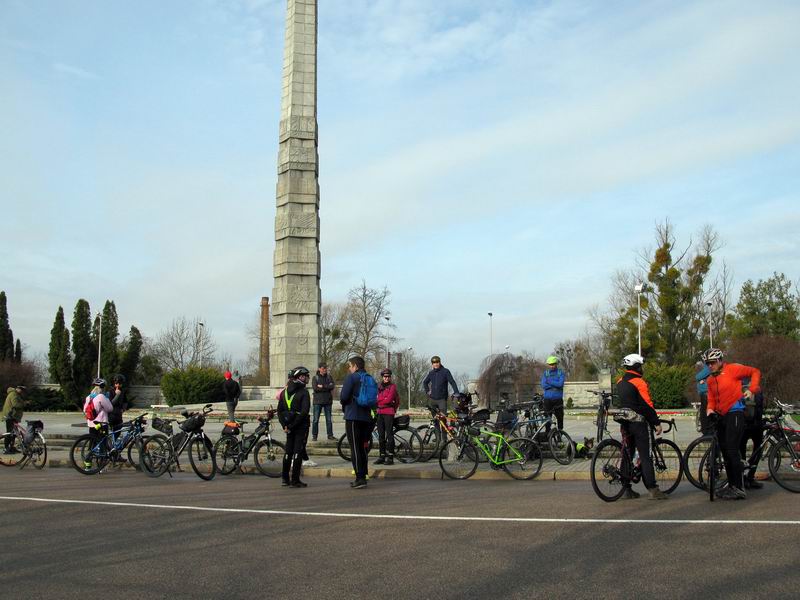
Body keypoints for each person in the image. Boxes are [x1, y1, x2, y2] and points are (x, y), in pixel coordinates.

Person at [704, 347, 761, 500]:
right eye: (707, 363)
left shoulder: (732, 369)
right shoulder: (710, 380)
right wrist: (709, 409)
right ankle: (732, 485)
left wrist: (752, 389)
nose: (710, 366)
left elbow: (755, 371)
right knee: (725, 452)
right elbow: (710, 398)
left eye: (713, 362)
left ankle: (739, 487)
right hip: (721, 416)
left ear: (720, 361)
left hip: (735, 414)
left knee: (731, 448)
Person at [616, 354, 668, 500]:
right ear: (637, 367)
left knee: (628, 454)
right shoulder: (639, 382)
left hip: (625, 422)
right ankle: (653, 489)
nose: (642, 369)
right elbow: (647, 405)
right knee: (646, 456)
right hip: (639, 423)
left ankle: (626, 488)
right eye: (641, 366)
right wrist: (656, 423)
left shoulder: (620, 381)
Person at [340, 355, 374, 489]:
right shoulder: (370, 378)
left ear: (355, 366)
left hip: (353, 415)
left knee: (355, 448)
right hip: (366, 416)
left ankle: (359, 478)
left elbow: (343, 396)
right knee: (363, 447)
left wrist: (345, 404)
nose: (349, 369)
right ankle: (364, 473)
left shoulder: (352, 377)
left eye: (350, 366)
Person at [277, 366, 311, 488]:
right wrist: (293, 425)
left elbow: (279, 410)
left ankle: (285, 479)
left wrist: (285, 425)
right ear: (301, 377)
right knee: (298, 452)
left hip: (288, 426)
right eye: (307, 376)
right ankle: (295, 480)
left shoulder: (284, 392)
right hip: (300, 426)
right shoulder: (304, 392)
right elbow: (304, 412)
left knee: (288, 452)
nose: (308, 378)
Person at [739, 377, 765, 490]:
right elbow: (759, 406)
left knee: (742, 451)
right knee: (758, 449)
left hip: (743, 425)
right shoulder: (757, 389)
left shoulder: (741, 386)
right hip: (756, 424)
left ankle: (743, 477)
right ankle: (750, 477)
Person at [375, 368, 400, 465]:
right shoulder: (379, 386)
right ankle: (382, 455)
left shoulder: (392, 387)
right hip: (380, 412)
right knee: (381, 435)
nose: (387, 378)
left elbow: (389, 400)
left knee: (389, 434)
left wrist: (380, 401)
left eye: (388, 376)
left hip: (389, 412)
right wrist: (381, 400)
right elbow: (376, 398)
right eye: (385, 376)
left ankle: (390, 457)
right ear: (382, 377)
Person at [311, 362, 336, 441]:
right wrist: (327, 387)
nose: (325, 369)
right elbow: (315, 388)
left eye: (325, 368)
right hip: (317, 402)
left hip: (327, 401)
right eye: (323, 368)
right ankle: (314, 436)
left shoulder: (329, 377)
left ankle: (330, 435)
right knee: (315, 420)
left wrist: (322, 386)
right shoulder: (315, 378)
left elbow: (332, 386)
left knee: (329, 420)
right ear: (319, 369)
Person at [541, 355, 566, 432]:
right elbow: (544, 385)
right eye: (550, 364)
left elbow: (560, 384)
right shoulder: (546, 373)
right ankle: (548, 433)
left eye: (554, 364)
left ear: (556, 364)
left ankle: (560, 433)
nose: (552, 366)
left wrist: (549, 381)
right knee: (547, 418)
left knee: (560, 417)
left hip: (557, 399)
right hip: (547, 399)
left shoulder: (560, 373)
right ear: (548, 365)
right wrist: (555, 385)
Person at [2, 385, 26, 454]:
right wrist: (24, 403)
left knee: (13, 433)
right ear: (17, 389)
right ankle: (7, 449)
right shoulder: (13, 394)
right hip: (10, 416)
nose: (22, 391)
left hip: (13, 417)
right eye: (21, 389)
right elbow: (15, 404)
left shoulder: (16, 394)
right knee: (9, 433)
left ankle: (11, 447)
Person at [695, 359, 711, 433]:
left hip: (705, 392)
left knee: (704, 412)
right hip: (704, 392)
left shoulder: (708, 367)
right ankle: (705, 428)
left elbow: (698, 377)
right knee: (704, 411)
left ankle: (705, 430)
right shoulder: (707, 367)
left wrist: (702, 380)